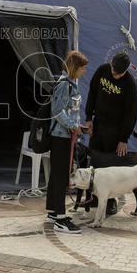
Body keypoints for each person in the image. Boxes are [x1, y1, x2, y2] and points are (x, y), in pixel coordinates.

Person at [84, 51, 137, 216]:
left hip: (115, 129)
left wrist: (123, 138)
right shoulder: (102, 70)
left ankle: (110, 200)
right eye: (114, 70)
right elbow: (92, 93)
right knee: (94, 160)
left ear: (126, 70)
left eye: (119, 73)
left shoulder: (129, 83)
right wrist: (89, 118)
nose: (115, 75)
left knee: (110, 167)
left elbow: (131, 113)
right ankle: (93, 197)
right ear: (111, 63)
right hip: (98, 123)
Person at [45, 49, 89, 234]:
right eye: (82, 68)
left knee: (58, 175)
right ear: (74, 67)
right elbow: (57, 110)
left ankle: (53, 212)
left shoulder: (69, 84)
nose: (84, 72)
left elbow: (69, 111)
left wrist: (78, 127)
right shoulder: (65, 85)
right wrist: (72, 126)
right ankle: (60, 219)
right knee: (61, 176)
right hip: (61, 137)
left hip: (65, 136)